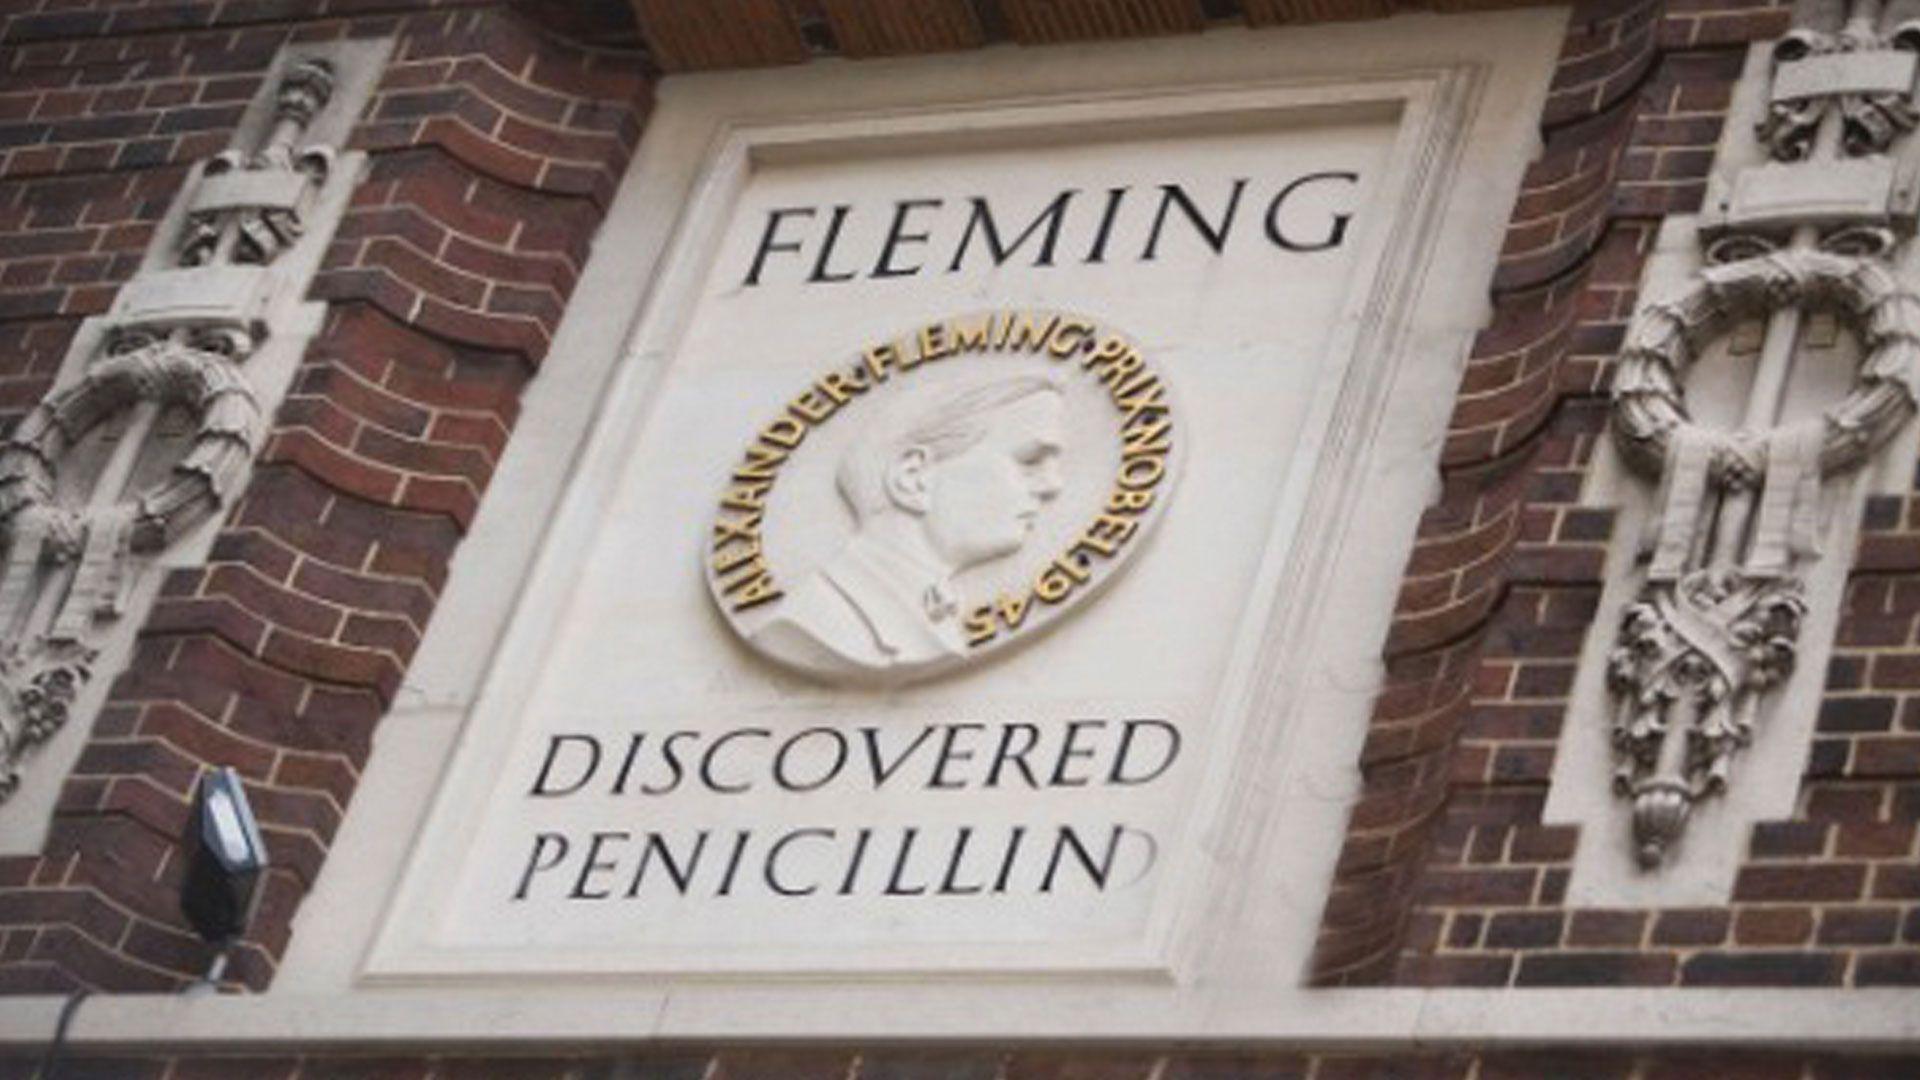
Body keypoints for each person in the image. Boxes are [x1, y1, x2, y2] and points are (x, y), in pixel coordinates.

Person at [751, 373, 1066, 682]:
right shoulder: (810, 625)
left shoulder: (929, 603)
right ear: (912, 477)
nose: (1053, 485)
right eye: (1029, 460)